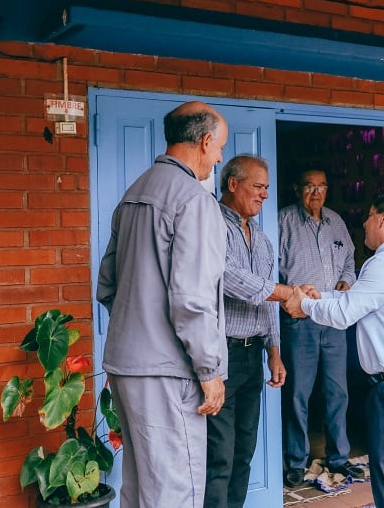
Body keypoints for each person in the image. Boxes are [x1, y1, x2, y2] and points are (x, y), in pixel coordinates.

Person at [96, 101, 228, 507]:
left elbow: (107, 285)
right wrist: (209, 370)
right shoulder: (193, 199)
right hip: (169, 371)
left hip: (126, 364)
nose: (220, 157)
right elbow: (192, 298)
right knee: (176, 491)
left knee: (139, 491)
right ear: (205, 142)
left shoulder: (135, 192)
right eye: (219, 147)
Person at [283, 189, 384, 508]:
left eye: (368, 216)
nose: (364, 223)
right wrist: (318, 297)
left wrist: (305, 307)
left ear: (383, 218)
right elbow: (356, 301)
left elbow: (345, 314)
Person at [205, 154, 309, 508]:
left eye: (267, 187)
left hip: (252, 356)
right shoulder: (212, 227)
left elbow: (265, 300)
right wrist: (287, 292)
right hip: (222, 355)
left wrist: (274, 353)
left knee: (244, 450)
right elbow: (232, 280)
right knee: (219, 454)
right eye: (259, 186)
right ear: (233, 184)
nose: (266, 194)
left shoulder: (263, 240)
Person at [278, 168, 364, 487]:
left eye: (321, 188)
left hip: (333, 319)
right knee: (298, 393)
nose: (316, 194)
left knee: (337, 392)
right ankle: (296, 461)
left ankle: (338, 457)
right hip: (300, 321)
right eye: (309, 187)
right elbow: (268, 269)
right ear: (297, 189)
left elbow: (349, 261)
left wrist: (347, 280)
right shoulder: (282, 222)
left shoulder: (336, 222)